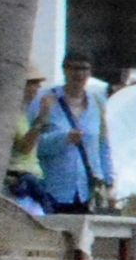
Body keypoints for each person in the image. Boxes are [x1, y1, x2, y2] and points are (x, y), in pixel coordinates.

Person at [19, 61, 111, 215]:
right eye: (74, 68)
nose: (79, 74)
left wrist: (108, 180)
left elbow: (103, 145)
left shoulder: (97, 102)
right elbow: (33, 146)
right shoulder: (45, 101)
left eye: (84, 68)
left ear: (90, 72)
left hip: (87, 191)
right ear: (65, 71)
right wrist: (64, 139)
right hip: (53, 189)